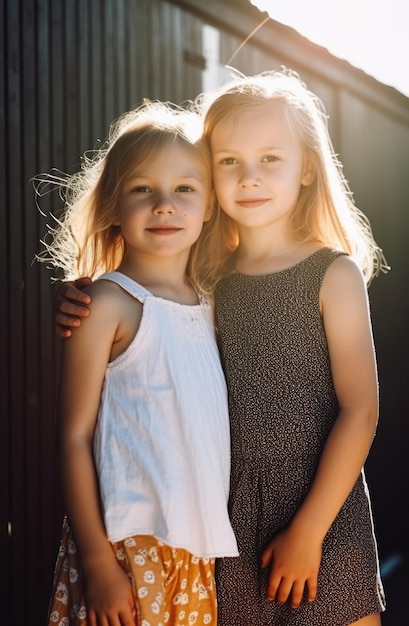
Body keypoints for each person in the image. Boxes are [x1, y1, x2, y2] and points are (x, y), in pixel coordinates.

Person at [53, 69, 388, 626]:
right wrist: (75, 296)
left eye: (270, 160)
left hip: (323, 514)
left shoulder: (332, 274)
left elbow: (362, 410)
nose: (249, 177)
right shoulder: (212, 281)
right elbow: (143, 304)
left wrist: (308, 531)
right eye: (229, 161)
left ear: (307, 167)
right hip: (227, 524)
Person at [37, 100, 238, 626]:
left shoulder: (214, 304)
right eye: (142, 189)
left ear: (211, 205)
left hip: (196, 553)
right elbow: (74, 437)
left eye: (185, 189)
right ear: (113, 203)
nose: (165, 205)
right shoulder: (106, 305)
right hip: (126, 547)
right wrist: (99, 561)